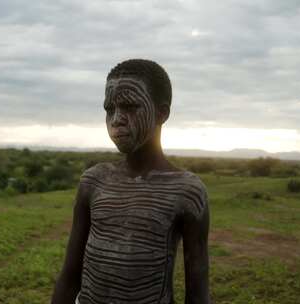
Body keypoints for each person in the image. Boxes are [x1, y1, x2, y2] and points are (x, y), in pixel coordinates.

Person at [51, 59, 210, 304]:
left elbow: (197, 295)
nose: (116, 119)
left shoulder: (187, 193)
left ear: (162, 113)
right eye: (108, 109)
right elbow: (70, 275)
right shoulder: (94, 182)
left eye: (129, 106)